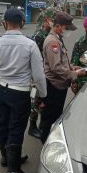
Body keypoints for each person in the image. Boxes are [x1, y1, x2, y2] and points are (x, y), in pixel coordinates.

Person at [0, 8, 47, 173]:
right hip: (20, 92)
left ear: (5, 23)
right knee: (16, 129)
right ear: (22, 23)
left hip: (2, 90)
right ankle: (13, 172)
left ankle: (7, 158)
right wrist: (42, 95)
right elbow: (38, 75)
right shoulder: (30, 44)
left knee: (3, 124)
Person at [40, 11, 86, 144]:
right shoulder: (52, 42)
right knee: (51, 115)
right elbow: (56, 67)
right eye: (66, 28)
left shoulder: (57, 39)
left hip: (58, 84)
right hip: (54, 85)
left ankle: (47, 138)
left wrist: (71, 67)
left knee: (54, 113)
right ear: (59, 26)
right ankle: (46, 142)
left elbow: (61, 62)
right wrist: (75, 74)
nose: (68, 31)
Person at [28, 8, 56, 139]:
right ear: (46, 20)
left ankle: (40, 125)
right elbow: (34, 58)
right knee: (36, 100)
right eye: (52, 20)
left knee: (43, 101)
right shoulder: (39, 35)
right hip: (37, 74)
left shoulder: (50, 34)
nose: (53, 23)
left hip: (46, 73)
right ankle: (32, 127)